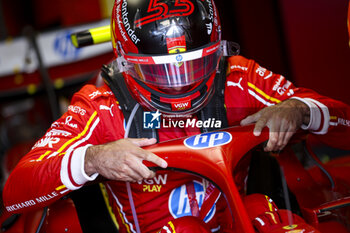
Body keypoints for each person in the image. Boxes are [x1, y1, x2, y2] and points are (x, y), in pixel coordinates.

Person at [3, 0, 350, 232]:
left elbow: (345, 124)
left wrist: (300, 110)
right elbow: (15, 192)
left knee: (263, 209)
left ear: (217, 51)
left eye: (196, 65)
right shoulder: (101, 106)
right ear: (126, 67)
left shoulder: (238, 78)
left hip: (239, 217)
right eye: (160, 74)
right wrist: (93, 158)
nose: (180, 85)